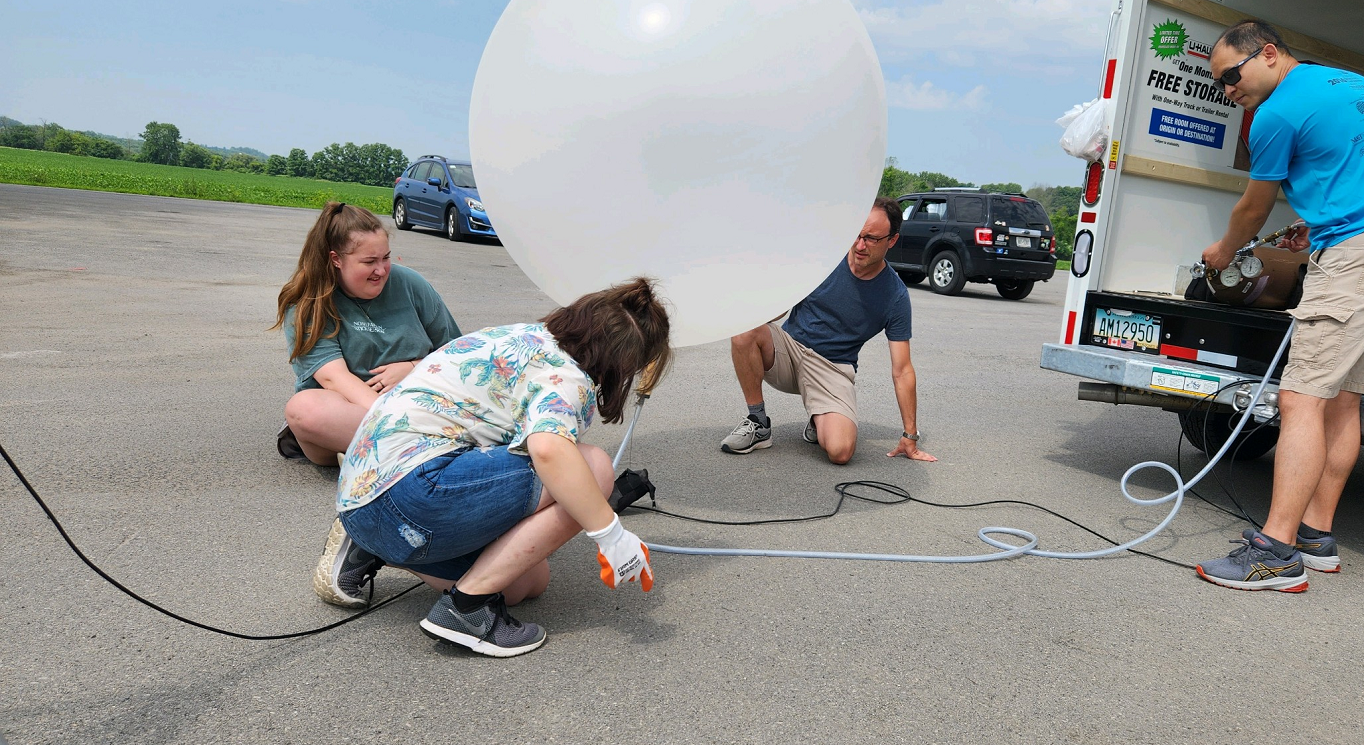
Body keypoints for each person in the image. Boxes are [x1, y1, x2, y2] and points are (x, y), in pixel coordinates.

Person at [1195, 20, 1364, 592]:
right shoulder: (1360, 88)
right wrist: (1318, 222)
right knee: (1342, 399)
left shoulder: (1275, 114)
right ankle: (1314, 536)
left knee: (1300, 398)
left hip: (1358, 261)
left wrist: (1222, 255)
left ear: (1269, 53)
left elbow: (1252, 211)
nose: (1229, 91)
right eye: (1220, 85)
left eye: (1232, 76)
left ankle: (1275, 552)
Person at [319, 278, 670, 657]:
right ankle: (466, 610)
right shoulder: (566, 377)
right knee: (593, 468)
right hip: (411, 490)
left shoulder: (522, 336)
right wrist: (611, 534)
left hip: (364, 495)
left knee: (525, 584)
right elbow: (549, 450)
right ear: (623, 361)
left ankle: (374, 547)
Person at [720, 197, 936, 465]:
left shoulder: (895, 296)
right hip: (790, 351)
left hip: (832, 368)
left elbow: (902, 369)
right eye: (856, 235)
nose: (860, 245)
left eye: (871, 238)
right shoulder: (823, 260)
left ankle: (819, 416)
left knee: (840, 452)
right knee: (746, 329)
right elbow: (777, 310)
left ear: (891, 240)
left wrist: (910, 435)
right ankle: (758, 422)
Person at [274, 202, 461, 466]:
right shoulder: (308, 302)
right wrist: (392, 416)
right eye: (369, 262)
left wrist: (413, 367)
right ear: (336, 259)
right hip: (351, 414)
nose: (382, 270)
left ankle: (395, 454)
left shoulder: (411, 284)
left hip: (419, 403)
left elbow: (457, 354)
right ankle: (426, 448)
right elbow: (334, 379)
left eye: (385, 258)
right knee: (303, 409)